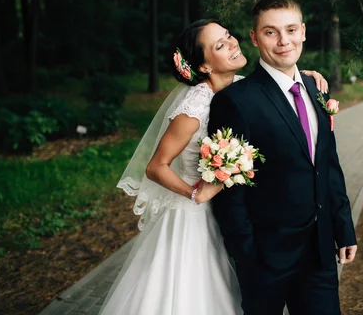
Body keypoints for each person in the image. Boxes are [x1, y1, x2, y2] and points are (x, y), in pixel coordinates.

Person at [98, 18, 329, 315]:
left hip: (239, 215)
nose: (232, 43)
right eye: (220, 45)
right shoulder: (195, 106)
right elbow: (156, 166)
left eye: (229, 35)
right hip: (195, 220)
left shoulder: (245, 86)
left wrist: (306, 77)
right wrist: (195, 193)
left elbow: (280, 87)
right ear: (205, 66)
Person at [208, 0, 358, 315]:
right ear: (254, 37)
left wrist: (343, 227)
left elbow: (328, 165)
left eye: (290, 30)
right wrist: (247, 254)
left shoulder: (316, 88)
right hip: (266, 260)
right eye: (270, 32)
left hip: (320, 253)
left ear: (303, 31)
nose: (283, 41)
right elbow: (228, 188)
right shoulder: (235, 101)